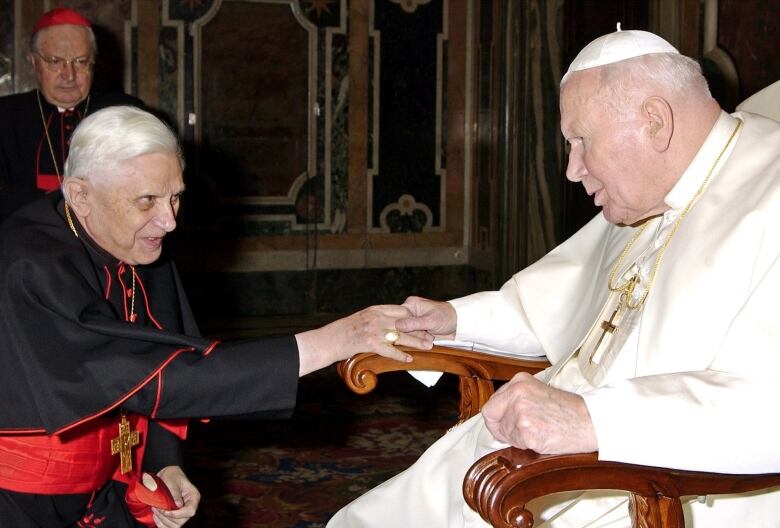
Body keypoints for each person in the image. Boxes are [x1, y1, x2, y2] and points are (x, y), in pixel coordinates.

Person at [328, 29, 780, 527]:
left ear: (654, 122)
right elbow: (557, 307)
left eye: (581, 141)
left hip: (665, 488)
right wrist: (452, 320)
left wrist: (592, 420)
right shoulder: (650, 192)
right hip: (533, 454)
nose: (572, 169)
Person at [0, 105, 423, 528]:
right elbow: (152, 378)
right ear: (80, 195)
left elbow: (168, 351)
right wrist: (334, 340)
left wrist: (164, 463)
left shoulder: (138, 242)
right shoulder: (29, 268)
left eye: (175, 196)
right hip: (22, 502)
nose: (168, 221)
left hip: (108, 484)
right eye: (147, 200)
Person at [0, 7, 144, 221]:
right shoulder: (5, 115)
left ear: (93, 62)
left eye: (80, 61)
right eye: (55, 61)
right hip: (24, 238)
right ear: (34, 61)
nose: (69, 75)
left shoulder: (127, 113)